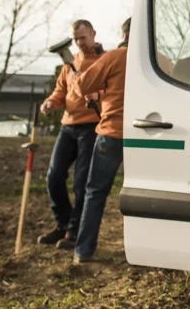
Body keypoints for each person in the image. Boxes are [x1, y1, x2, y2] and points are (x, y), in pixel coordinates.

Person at [38, 19, 104, 249]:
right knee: (54, 177)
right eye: (76, 39)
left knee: (81, 182)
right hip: (68, 127)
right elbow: (60, 92)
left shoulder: (104, 61)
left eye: (83, 37)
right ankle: (62, 224)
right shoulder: (69, 64)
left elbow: (112, 91)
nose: (79, 42)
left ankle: (75, 232)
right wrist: (49, 103)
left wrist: (98, 97)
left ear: (94, 34)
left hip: (91, 127)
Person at [71, 17, 130, 263]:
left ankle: (83, 251)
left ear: (125, 33)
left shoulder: (115, 56)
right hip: (149, 134)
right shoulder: (160, 60)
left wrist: (78, 78)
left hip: (112, 132)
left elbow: (82, 85)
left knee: (95, 192)